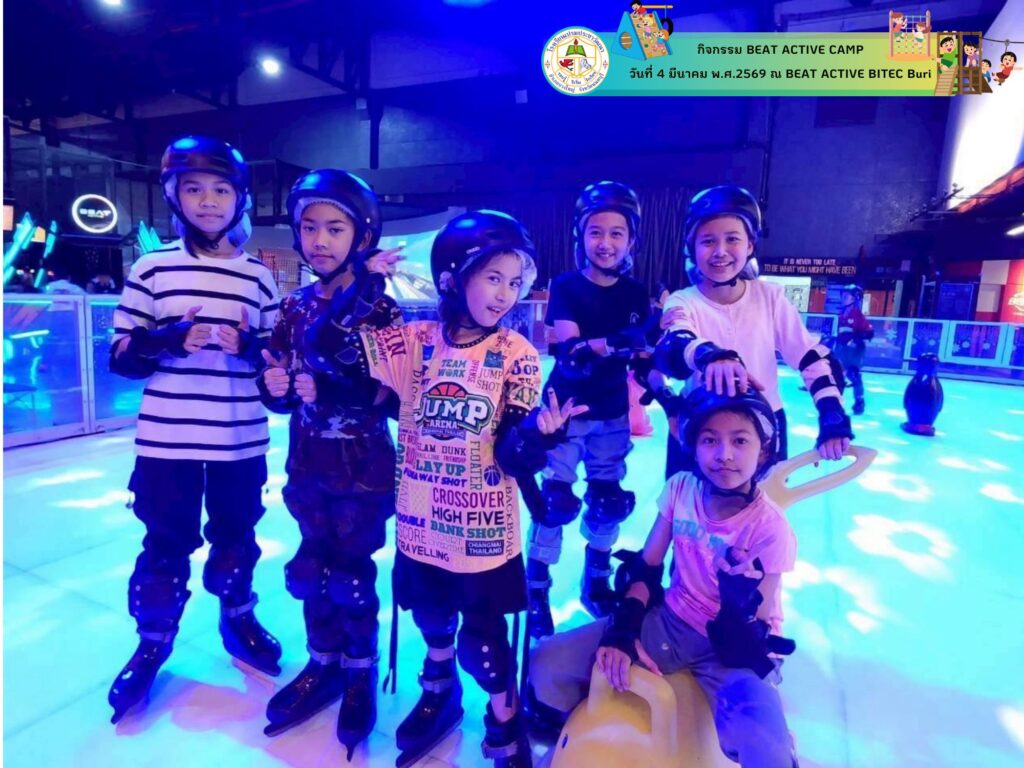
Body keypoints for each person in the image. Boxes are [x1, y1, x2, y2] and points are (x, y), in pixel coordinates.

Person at [304, 210, 586, 767]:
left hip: (482, 530)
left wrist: (538, 434)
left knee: (484, 642)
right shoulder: (415, 341)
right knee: (432, 617)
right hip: (420, 521)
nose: (505, 294)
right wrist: (364, 285)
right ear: (453, 278)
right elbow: (327, 349)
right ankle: (439, 691)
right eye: (493, 278)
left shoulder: (516, 354)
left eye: (515, 281)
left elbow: (510, 454)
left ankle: (504, 719)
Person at [106, 135, 282, 723]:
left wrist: (251, 347)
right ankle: (152, 642)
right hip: (167, 440)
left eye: (221, 190)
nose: (208, 201)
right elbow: (121, 356)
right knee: (164, 546)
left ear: (240, 198)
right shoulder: (152, 268)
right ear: (174, 195)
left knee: (237, 538)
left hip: (239, 438)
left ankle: (238, 617)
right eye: (194, 189)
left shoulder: (258, 277)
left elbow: (278, 365)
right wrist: (167, 338)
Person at [529, 387, 799, 767]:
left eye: (740, 441)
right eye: (710, 440)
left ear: (764, 450)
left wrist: (739, 599)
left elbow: (757, 623)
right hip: (671, 622)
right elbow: (648, 567)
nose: (724, 454)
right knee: (546, 662)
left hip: (734, 650)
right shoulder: (681, 489)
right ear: (694, 447)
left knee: (766, 748)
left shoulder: (771, 528)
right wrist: (622, 630)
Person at [257, 170, 404, 755]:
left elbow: (394, 396)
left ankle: (360, 670)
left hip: (363, 469)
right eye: (310, 227)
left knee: (351, 575)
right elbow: (279, 381)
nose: (320, 240)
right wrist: (274, 387)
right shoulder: (293, 307)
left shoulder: (381, 310)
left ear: (361, 236)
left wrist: (337, 389)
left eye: (334, 228)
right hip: (308, 463)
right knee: (310, 571)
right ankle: (322, 662)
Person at [654, 185, 852, 479]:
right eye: (708, 241)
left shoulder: (770, 296)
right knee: (688, 505)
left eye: (732, 239)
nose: (720, 251)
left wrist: (831, 412)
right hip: (702, 427)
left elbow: (808, 356)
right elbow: (677, 341)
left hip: (763, 425)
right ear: (692, 248)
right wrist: (710, 357)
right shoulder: (682, 300)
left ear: (749, 245)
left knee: (763, 506)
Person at [527, 181, 654, 639]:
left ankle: (595, 580)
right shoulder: (566, 286)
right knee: (554, 500)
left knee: (607, 500)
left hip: (612, 412)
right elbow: (572, 354)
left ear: (631, 240)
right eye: (596, 232)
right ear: (580, 236)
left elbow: (642, 354)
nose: (606, 242)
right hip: (565, 409)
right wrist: (617, 342)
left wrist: (659, 381)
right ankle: (536, 588)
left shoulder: (636, 293)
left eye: (617, 233)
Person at [834, 284, 873, 416]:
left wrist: (855, 338)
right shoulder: (842, 314)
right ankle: (837, 402)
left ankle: (859, 401)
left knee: (853, 374)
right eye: (842, 296)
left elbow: (869, 333)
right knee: (838, 375)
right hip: (843, 349)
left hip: (854, 350)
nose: (843, 298)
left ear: (855, 299)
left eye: (847, 296)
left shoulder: (858, 315)